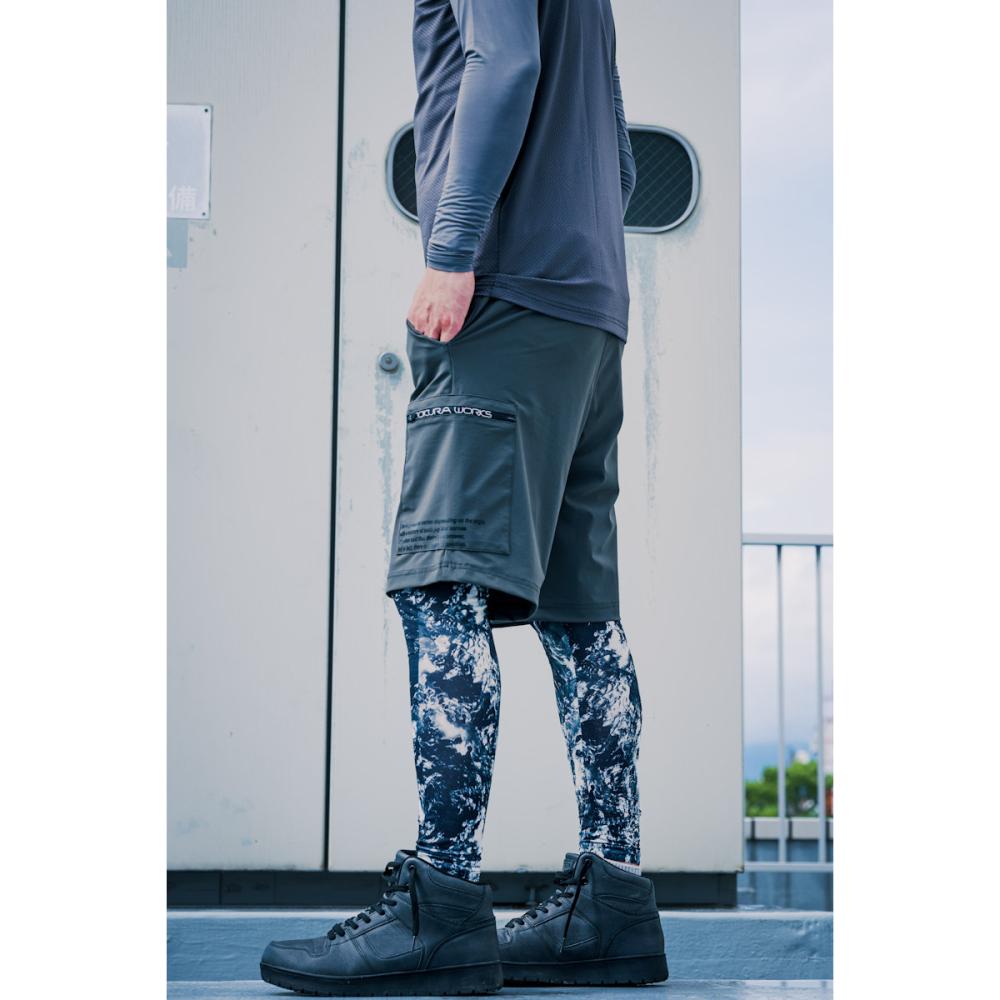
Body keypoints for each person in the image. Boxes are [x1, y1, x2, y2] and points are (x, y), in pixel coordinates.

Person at [260, 1, 668, 994]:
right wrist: (579, 249)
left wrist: (452, 249)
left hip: (507, 293)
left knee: (441, 581)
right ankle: (611, 902)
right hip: (590, 307)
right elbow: (616, 150)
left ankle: (439, 906)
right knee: (581, 614)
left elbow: (505, 61)